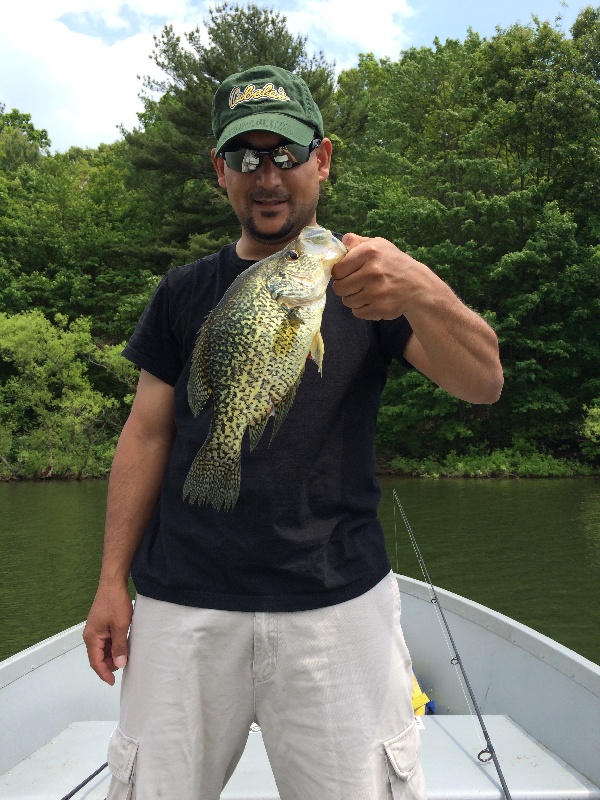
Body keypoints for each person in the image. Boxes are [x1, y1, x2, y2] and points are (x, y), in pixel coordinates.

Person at [83, 65, 503, 800]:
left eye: (286, 154)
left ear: (323, 159)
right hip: (183, 602)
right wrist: (110, 582)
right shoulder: (183, 291)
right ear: (221, 172)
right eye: (245, 158)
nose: (267, 176)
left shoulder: (371, 280)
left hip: (336, 604)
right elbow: (147, 436)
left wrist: (423, 288)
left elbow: (484, 384)